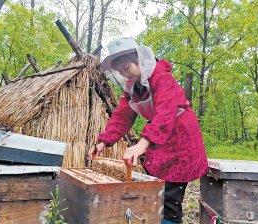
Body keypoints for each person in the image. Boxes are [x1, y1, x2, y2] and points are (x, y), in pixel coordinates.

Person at [89, 37, 208, 224]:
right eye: (121, 71)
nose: (125, 74)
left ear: (138, 59)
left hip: (181, 139)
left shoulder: (161, 75)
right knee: (154, 190)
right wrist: (104, 141)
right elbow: (122, 116)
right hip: (160, 138)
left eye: (127, 68)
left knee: (169, 195)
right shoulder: (133, 86)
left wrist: (142, 144)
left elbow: (165, 112)